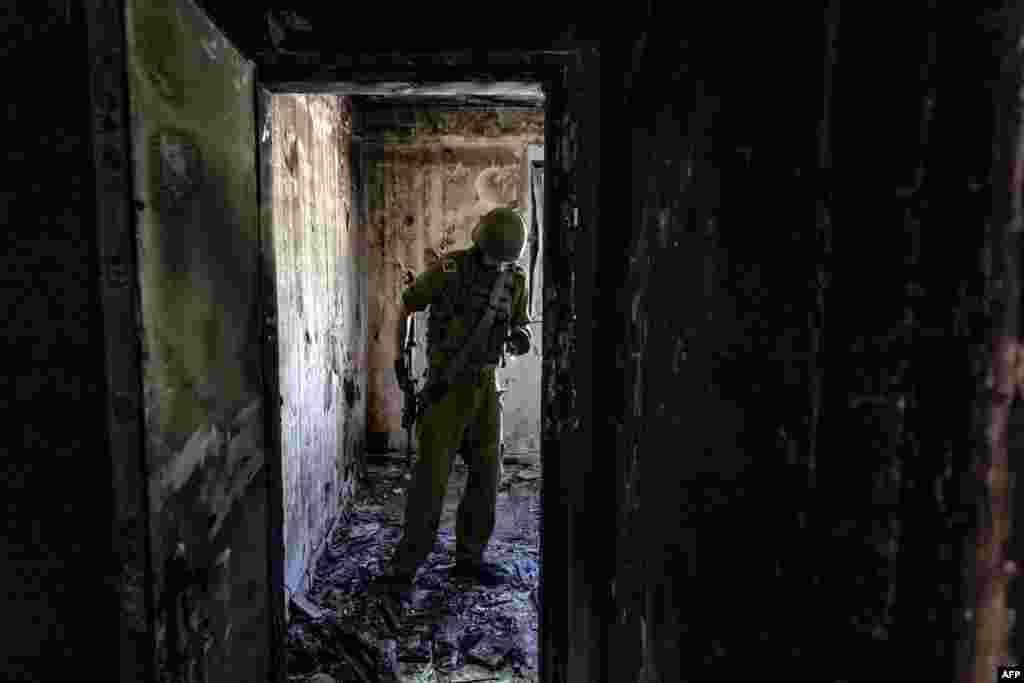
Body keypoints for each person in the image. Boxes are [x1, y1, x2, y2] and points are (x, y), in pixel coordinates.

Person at [374, 207, 532, 596]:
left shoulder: (514, 279)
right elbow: (406, 306)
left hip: (486, 389)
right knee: (431, 480)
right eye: (494, 256)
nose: (499, 264)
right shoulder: (450, 270)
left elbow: (521, 322)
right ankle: (405, 566)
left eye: (505, 259)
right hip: (446, 390)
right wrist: (399, 363)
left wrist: (520, 337)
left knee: (486, 477)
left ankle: (469, 559)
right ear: (481, 243)